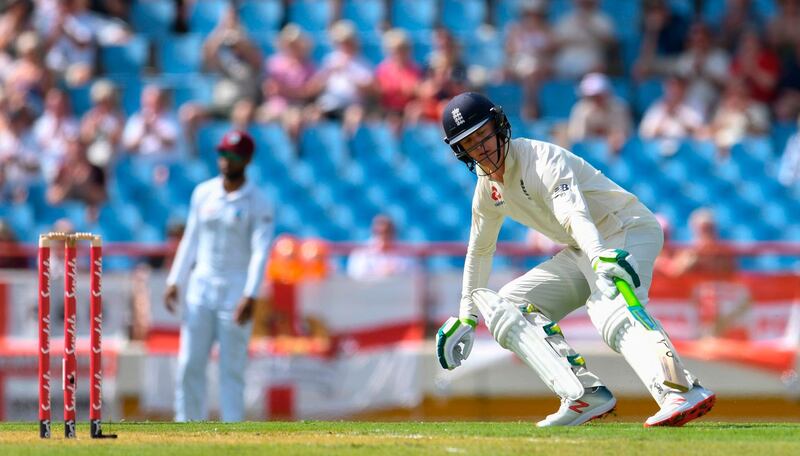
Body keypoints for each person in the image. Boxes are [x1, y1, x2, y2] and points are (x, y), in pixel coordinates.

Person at [435, 92, 715, 427]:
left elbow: (574, 215)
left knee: (610, 308)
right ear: (460, 151)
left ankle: (681, 389)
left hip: (625, 228)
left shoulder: (540, 159)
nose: (481, 147)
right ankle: (585, 394)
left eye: (483, 134)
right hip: (584, 248)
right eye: (469, 142)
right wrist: (466, 316)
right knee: (510, 305)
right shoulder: (487, 190)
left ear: (499, 126)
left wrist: (599, 257)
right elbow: (479, 250)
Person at [163, 129, 273, 422]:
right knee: (189, 363)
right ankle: (186, 427)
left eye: (233, 155)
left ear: (247, 159)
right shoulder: (203, 193)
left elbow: (260, 252)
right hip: (201, 287)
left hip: (235, 291)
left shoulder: (259, 202)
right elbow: (191, 238)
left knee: (232, 368)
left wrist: (251, 295)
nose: (226, 160)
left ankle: (231, 431)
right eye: (223, 153)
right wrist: (175, 279)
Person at [346, 214, 415, 280]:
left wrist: (395, 271)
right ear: (373, 232)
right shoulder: (361, 253)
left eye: (388, 232)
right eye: (380, 232)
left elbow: (413, 275)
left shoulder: (406, 253)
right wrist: (380, 273)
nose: (385, 236)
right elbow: (355, 277)